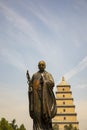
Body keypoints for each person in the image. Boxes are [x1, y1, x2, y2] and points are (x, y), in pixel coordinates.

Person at [26, 61, 57, 130]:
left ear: (45, 66)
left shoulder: (48, 74)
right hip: (36, 97)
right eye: (40, 65)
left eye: (43, 65)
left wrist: (45, 82)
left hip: (45, 98)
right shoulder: (34, 75)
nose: (41, 66)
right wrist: (30, 88)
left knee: (45, 114)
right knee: (37, 114)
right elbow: (31, 85)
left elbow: (52, 83)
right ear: (38, 66)